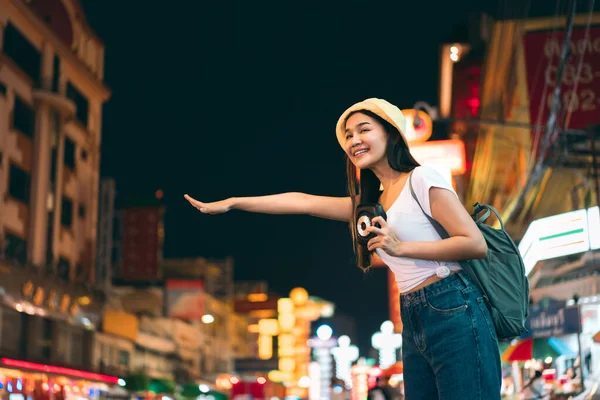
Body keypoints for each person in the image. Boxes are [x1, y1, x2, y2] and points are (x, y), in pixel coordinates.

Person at [184, 98, 502, 399]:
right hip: (414, 313)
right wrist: (234, 203)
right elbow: (303, 202)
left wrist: (401, 247)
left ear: (391, 134)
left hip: (453, 304)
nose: (353, 140)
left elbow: (473, 243)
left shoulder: (421, 178)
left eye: (364, 129)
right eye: (348, 135)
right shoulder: (371, 205)